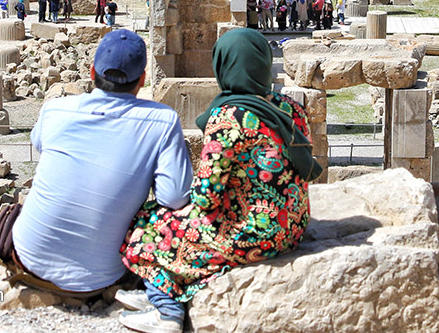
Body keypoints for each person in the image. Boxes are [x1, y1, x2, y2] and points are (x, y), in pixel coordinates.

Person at [119, 29, 320, 332]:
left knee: (144, 230)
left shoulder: (228, 118)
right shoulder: (290, 108)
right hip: (292, 227)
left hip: (254, 234)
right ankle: (160, 292)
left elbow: (206, 197)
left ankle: (167, 309)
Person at [7, 31, 193, 306]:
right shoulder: (162, 121)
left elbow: (40, 144)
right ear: (142, 80)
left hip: (27, 258)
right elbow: (174, 197)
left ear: (92, 71)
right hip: (101, 276)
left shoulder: (55, 109)